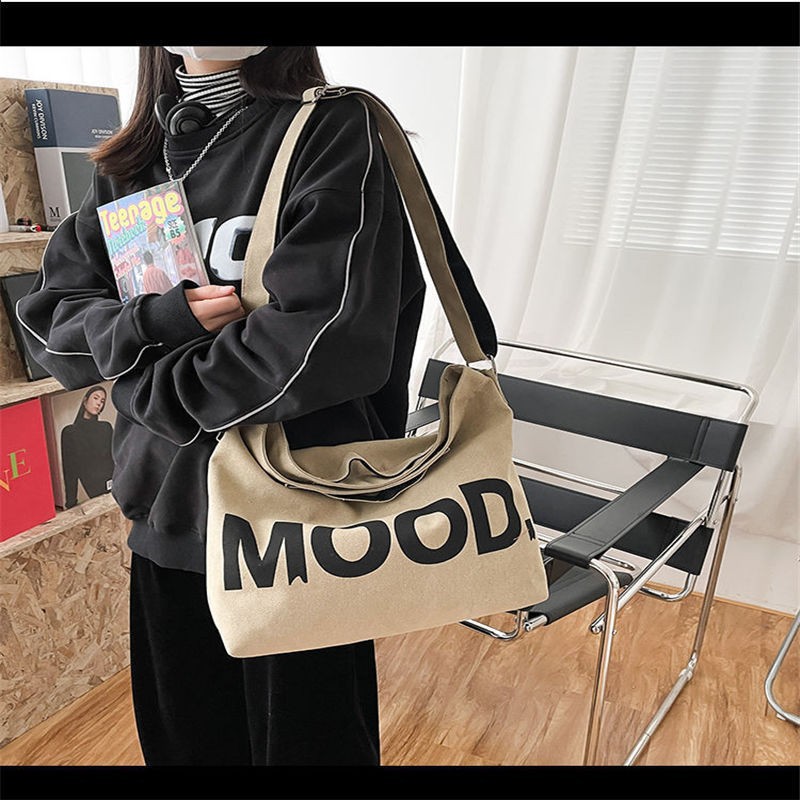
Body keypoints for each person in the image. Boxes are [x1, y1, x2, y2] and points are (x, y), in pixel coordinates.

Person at [16, 46, 496, 766]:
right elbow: (51, 323)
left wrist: (139, 385)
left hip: (300, 528)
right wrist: (157, 320)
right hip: (168, 517)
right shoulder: (131, 162)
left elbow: (324, 343)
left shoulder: (336, 130)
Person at [60, 385, 114, 508]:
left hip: (114, 484)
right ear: (85, 401)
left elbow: (115, 458)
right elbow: (69, 470)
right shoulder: (70, 432)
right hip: (93, 488)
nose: (99, 403)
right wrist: (71, 502)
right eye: (96, 398)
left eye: (102, 401)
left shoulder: (106, 427)